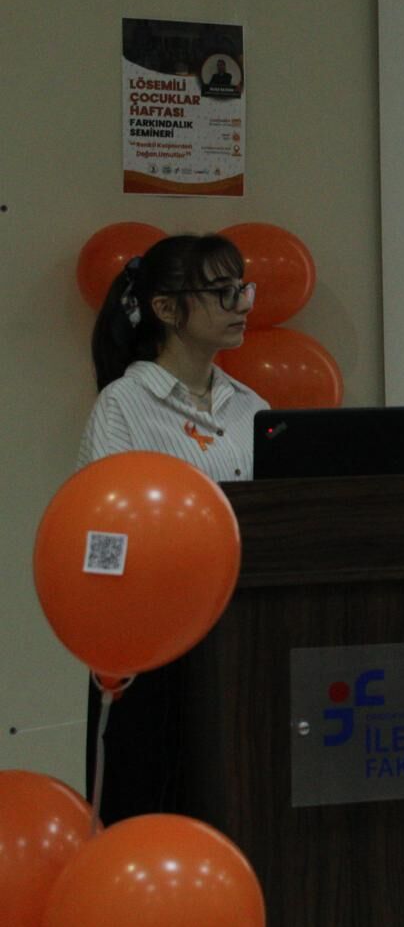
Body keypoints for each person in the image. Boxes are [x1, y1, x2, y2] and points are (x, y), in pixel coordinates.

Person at [79, 232, 267, 824]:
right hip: (152, 649)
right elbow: (100, 538)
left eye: (242, 289)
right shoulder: (123, 405)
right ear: (165, 308)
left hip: (244, 639)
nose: (241, 305)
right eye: (222, 292)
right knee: (148, 810)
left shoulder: (253, 408)